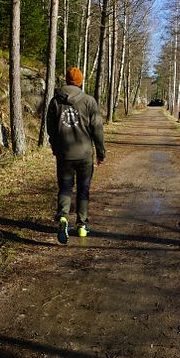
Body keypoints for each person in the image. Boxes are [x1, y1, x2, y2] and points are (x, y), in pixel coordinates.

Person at [46, 67, 106, 244]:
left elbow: (50, 129)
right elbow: (97, 129)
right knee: (83, 189)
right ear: (81, 81)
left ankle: (63, 217)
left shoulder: (55, 101)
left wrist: (56, 147)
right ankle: (81, 226)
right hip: (85, 154)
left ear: (66, 80)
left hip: (64, 154)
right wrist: (101, 152)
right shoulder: (89, 101)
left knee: (65, 187)